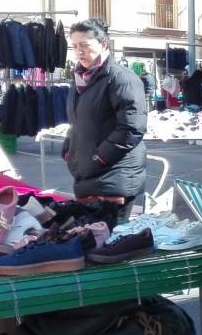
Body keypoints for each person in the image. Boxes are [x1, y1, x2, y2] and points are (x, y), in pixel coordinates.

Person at [63, 19, 147, 221]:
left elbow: (132, 127)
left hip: (114, 175)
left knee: (109, 236)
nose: (79, 51)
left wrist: (100, 157)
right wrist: (69, 149)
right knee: (89, 235)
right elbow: (78, 122)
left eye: (85, 45)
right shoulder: (81, 79)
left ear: (103, 44)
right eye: (75, 46)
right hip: (89, 175)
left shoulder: (120, 77)